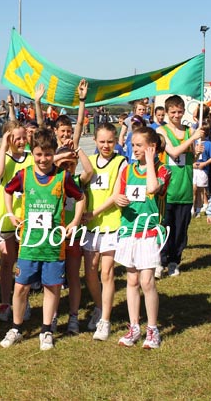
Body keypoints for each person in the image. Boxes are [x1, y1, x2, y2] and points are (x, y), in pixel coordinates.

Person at [0, 127, 84, 350]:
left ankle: (46, 330)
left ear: (54, 153)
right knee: (20, 287)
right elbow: (7, 191)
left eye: (48, 154)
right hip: (29, 244)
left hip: (54, 245)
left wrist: (74, 223)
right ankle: (16, 327)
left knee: (52, 287)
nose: (43, 159)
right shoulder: (24, 175)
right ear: (32, 152)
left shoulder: (63, 176)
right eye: (38, 154)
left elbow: (80, 197)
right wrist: (10, 213)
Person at [114, 127, 170, 349]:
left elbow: (153, 187)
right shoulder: (127, 170)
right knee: (132, 280)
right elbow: (119, 194)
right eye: (132, 145)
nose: (133, 149)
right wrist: (119, 200)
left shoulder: (163, 170)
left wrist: (150, 162)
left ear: (151, 147)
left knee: (147, 281)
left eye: (139, 145)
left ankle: (152, 329)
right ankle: (134, 326)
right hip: (128, 230)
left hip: (149, 232)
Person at [82, 122, 127, 341]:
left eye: (110, 141)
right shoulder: (89, 162)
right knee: (90, 272)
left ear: (116, 140)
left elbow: (116, 194)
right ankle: (100, 308)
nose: (106, 145)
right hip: (91, 228)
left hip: (110, 224)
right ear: (95, 141)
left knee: (106, 273)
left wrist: (93, 212)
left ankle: (106, 321)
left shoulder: (121, 162)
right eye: (102, 141)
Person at [156, 95, 204, 278]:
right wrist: (193, 139)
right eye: (173, 112)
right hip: (167, 189)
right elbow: (174, 151)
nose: (177, 115)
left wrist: (197, 152)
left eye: (179, 111)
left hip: (184, 188)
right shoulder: (162, 131)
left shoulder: (189, 131)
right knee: (164, 227)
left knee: (181, 228)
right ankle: (161, 260)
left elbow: (192, 158)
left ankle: (175, 260)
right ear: (167, 113)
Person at [0, 119, 34, 322]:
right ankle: (5, 302)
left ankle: (23, 301)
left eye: (22, 137)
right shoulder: (1, 157)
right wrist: (3, 146)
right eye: (14, 137)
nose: (20, 141)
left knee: (24, 262)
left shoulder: (31, 158)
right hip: (6, 216)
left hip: (27, 216)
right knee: (7, 262)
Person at [193, 122, 211, 217]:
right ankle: (193, 208)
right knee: (193, 188)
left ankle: (201, 206)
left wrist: (204, 164)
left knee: (201, 189)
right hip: (193, 168)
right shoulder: (194, 142)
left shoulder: (208, 144)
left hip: (203, 170)